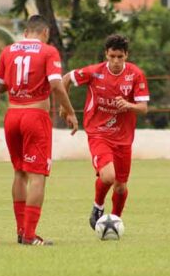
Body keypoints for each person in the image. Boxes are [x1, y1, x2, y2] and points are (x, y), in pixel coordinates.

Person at [0, 15, 78, 246]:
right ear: (45, 32)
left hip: (12, 115)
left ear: (25, 32)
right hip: (35, 116)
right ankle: (30, 235)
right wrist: (70, 111)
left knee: (19, 173)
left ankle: (21, 231)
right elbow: (55, 84)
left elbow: (0, 86)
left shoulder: (8, 50)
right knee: (37, 176)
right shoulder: (48, 50)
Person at [62, 35, 150, 229]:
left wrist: (128, 105)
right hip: (98, 133)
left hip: (124, 138)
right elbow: (66, 78)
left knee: (120, 186)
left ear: (126, 55)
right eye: (112, 56)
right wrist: (66, 110)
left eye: (120, 56)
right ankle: (98, 206)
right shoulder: (95, 72)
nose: (116, 61)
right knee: (108, 176)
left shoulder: (136, 75)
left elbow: (143, 108)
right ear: (106, 55)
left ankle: (114, 220)